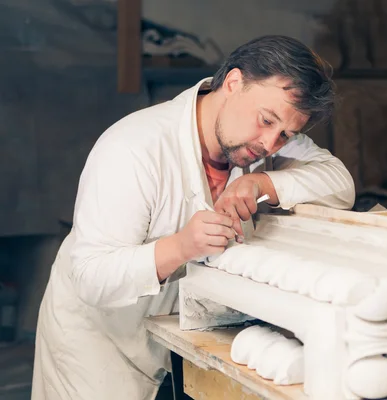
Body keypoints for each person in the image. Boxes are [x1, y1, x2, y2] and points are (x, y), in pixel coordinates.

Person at [31, 35, 355, 399]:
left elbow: (340, 183)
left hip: (175, 335)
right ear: (234, 83)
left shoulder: (266, 139)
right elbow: (92, 278)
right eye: (266, 121)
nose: (269, 143)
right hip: (95, 343)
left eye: (285, 135)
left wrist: (263, 181)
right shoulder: (134, 148)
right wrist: (180, 246)